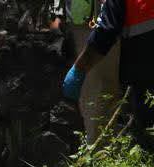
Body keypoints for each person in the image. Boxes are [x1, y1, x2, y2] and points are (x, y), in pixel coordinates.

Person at [63, 0, 154, 142]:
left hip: (111, 28)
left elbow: (105, 33)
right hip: (91, 23)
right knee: (101, 96)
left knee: (109, 95)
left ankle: (102, 152)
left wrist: (79, 69)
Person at [52, 0, 122, 140]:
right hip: (78, 25)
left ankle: (100, 151)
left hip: (104, 24)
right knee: (87, 94)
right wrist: (55, 14)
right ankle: (94, 148)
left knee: (103, 92)